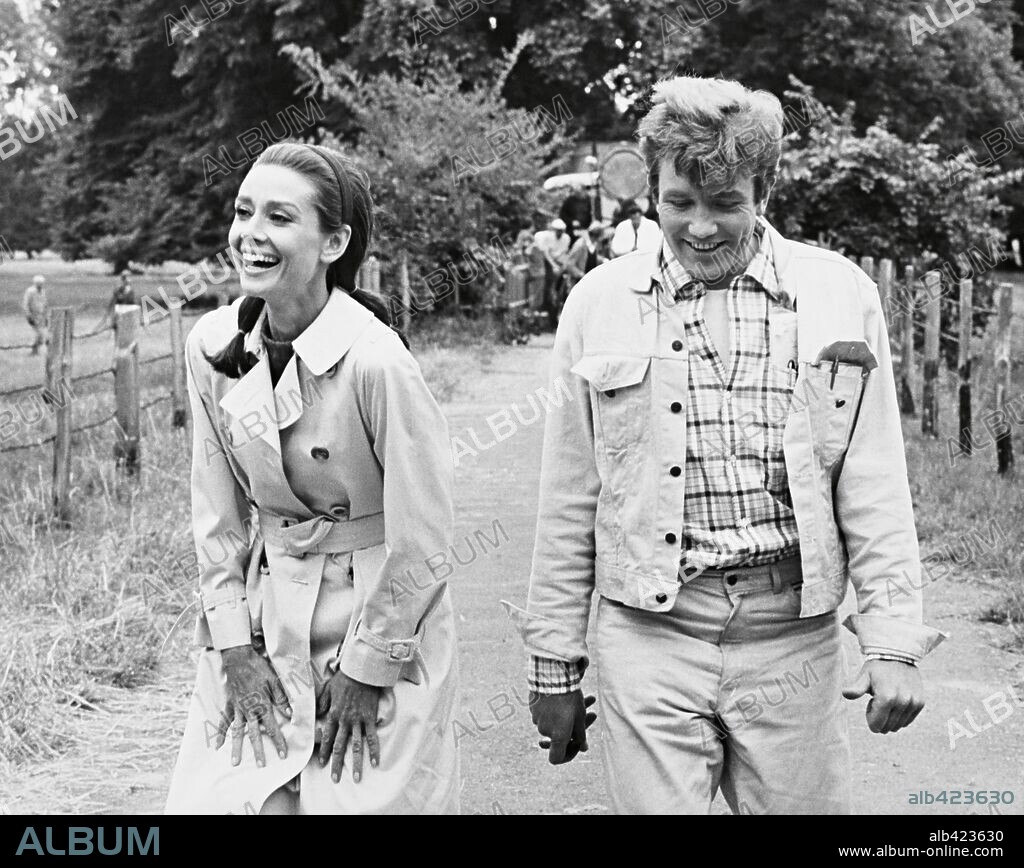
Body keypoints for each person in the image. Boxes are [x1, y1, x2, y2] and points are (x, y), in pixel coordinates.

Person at [503, 75, 945, 815]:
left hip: (792, 639)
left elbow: (872, 481)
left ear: (763, 191)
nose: (700, 227)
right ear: (650, 190)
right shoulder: (599, 304)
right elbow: (572, 494)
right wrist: (554, 665)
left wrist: (893, 640)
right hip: (649, 636)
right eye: (679, 203)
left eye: (725, 204)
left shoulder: (839, 294)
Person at [165, 142, 459, 815]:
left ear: (333, 242)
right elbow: (217, 519)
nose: (251, 235)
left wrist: (368, 669)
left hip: (381, 619)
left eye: (278, 217)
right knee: (231, 799)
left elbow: (427, 536)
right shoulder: (212, 350)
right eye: (244, 213)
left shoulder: (377, 363)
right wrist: (234, 648)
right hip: (264, 624)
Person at [533, 218, 570, 320]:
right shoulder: (548, 237)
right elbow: (546, 254)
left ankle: (561, 295)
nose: (559, 233)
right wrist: (553, 265)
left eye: (561, 231)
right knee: (548, 282)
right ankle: (546, 302)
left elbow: (564, 252)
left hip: (560, 261)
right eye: (558, 230)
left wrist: (562, 265)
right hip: (549, 262)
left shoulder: (566, 238)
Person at [564, 221, 608, 287]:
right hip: (577, 283)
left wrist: (603, 259)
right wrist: (581, 275)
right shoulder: (580, 245)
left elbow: (591, 257)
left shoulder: (594, 244)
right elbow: (570, 264)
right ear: (596, 235)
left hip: (588, 282)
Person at [21, 274, 47, 355]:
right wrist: (29, 316)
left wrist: (46, 316)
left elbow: (45, 303)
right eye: (39, 283)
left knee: (41, 335)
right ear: (35, 283)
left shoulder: (43, 291)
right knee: (39, 333)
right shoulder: (30, 291)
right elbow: (25, 304)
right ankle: (34, 350)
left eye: (42, 283)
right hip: (33, 315)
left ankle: (35, 350)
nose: (41, 285)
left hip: (41, 316)